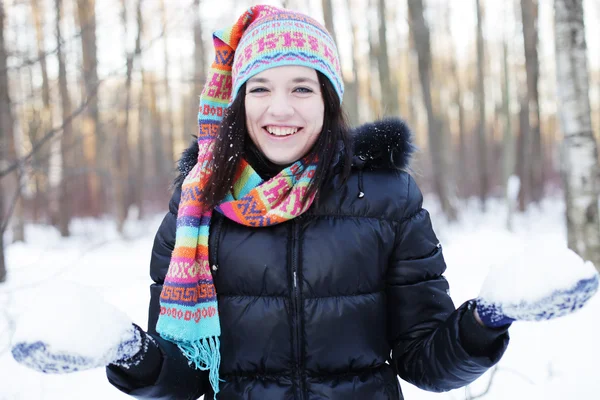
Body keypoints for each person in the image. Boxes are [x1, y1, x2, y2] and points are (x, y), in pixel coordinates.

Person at [11, 4, 598, 400]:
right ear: (239, 103)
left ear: (329, 99)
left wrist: (487, 318)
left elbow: (425, 361)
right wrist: (127, 350)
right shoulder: (197, 208)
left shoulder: (386, 197)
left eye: (301, 87)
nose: (280, 109)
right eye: (261, 89)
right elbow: (186, 374)